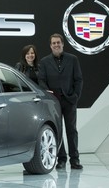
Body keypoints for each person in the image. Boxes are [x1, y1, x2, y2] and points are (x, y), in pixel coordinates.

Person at [38, 33, 83, 169]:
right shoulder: (44, 62)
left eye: (58, 42)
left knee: (72, 130)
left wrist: (75, 96)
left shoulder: (73, 59)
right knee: (58, 131)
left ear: (63, 44)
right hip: (54, 102)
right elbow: (41, 80)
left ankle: (75, 159)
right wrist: (48, 94)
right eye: (54, 43)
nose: (56, 45)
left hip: (69, 101)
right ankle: (61, 159)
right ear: (50, 46)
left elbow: (79, 79)